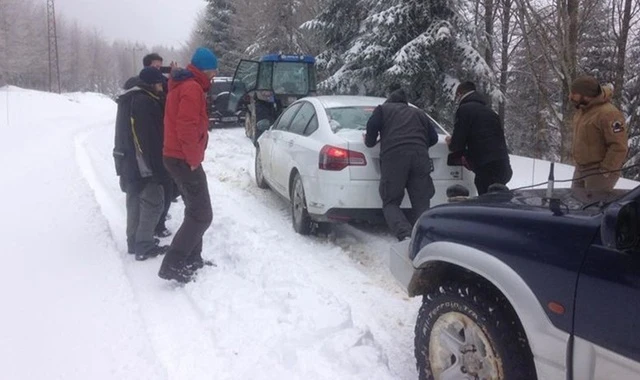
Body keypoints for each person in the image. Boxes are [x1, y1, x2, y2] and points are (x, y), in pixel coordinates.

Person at [158, 47, 218, 283]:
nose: (214, 76)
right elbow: (186, 127)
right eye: (213, 70)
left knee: (195, 209)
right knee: (203, 214)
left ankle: (193, 259)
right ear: (205, 69)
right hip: (183, 159)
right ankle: (172, 264)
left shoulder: (188, 85)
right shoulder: (192, 88)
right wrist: (194, 159)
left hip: (177, 156)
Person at [365, 85, 438, 241]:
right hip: (420, 158)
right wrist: (417, 146)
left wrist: (369, 141)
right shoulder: (419, 113)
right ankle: (425, 237)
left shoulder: (383, 110)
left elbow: (371, 128)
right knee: (421, 202)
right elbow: (434, 138)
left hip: (395, 158)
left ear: (389, 101)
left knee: (391, 201)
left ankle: (404, 234)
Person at [113, 67, 169, 261]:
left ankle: (133, 242)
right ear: (152, 84)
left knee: (134, 201)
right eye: (160, 83)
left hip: (126, 158)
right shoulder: (145, 102)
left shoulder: (128, 98)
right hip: (142, 161)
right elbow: (150, 138)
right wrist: (158, 167)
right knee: (154, 202)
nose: (162, 87)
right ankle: (144, 245)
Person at [446, 81, 512, 195]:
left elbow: (457, 144)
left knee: (486, 206)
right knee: (499, 203)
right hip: (503, 166)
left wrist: (451, 143)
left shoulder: (464, 110)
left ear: (460, 94)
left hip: (486, 168)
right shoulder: (490, 112)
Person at [570, 75, 628, 191]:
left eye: (574, 94)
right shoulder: (583, 110)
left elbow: (619, 146)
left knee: (592, 207)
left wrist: (606, 170)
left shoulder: (609, 114)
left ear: (586, 95)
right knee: (575, 205)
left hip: (598, 172)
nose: (570, 97)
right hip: (581, 169)